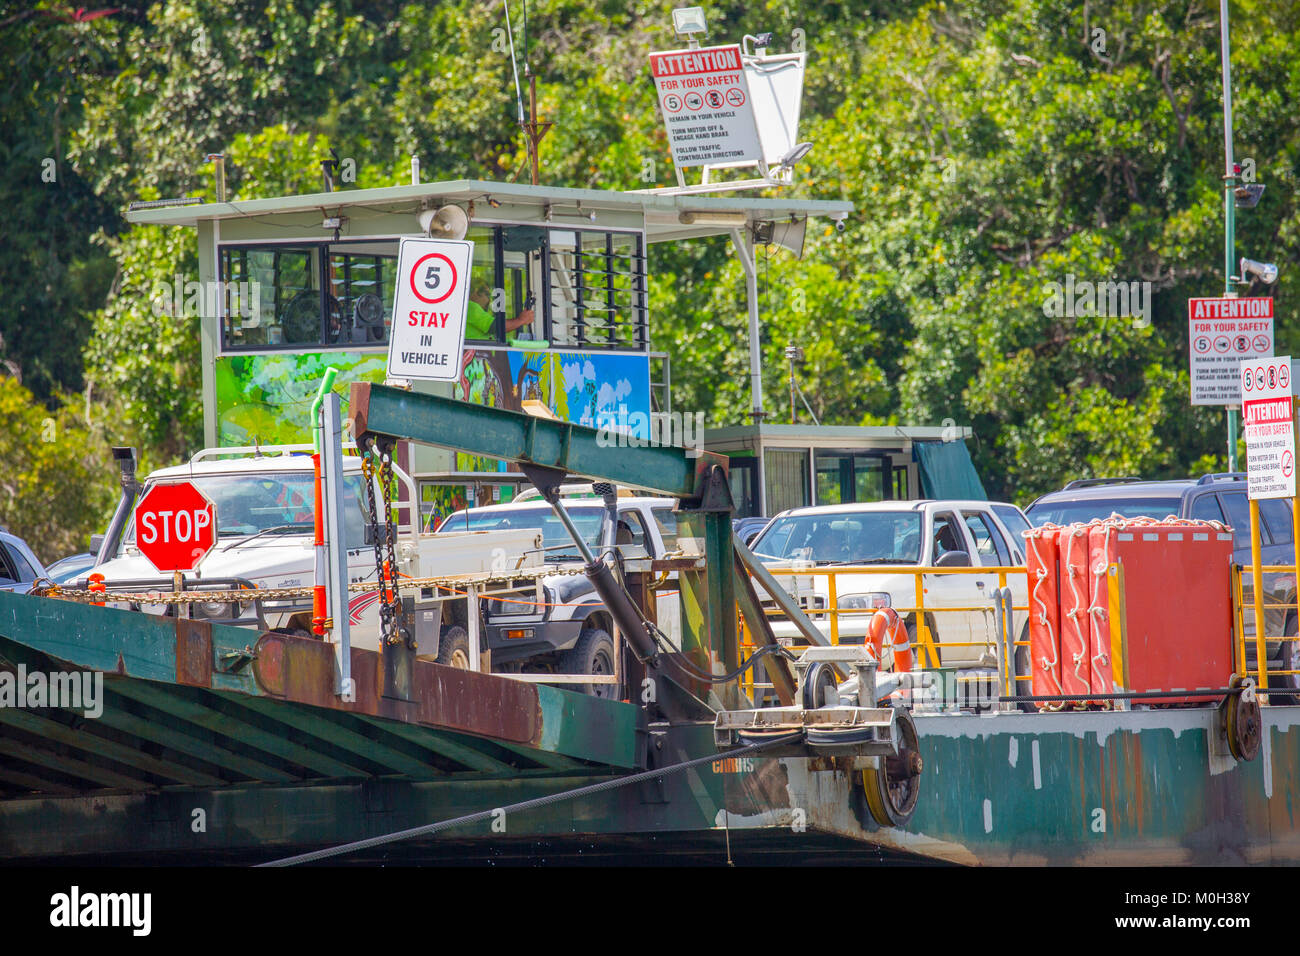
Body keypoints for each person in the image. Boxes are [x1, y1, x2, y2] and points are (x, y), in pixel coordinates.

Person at [466, 284, 535, 341]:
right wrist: (521, 320)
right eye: (487, 294)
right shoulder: (470, 306)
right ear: (475, 293)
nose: (489, 300)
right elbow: (495, 327)